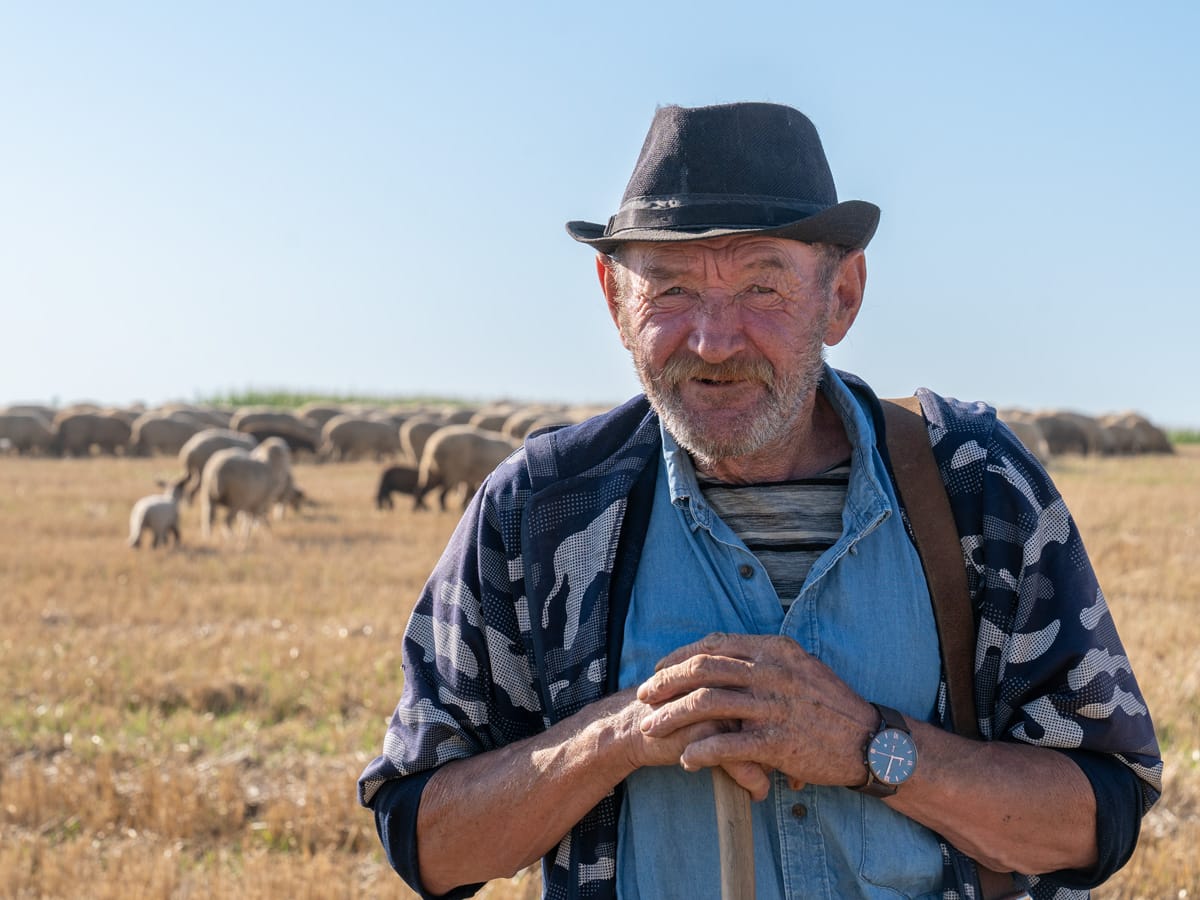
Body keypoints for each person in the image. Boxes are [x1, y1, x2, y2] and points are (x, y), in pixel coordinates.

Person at [358, 102, 1161, 900]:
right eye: (669, 289)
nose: (714, 341)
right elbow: (425, 841)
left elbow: (1099, 818)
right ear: (613, 299)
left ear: (840, 295)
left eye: (762, 288)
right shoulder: (541, 510)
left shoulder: (975, 489)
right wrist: (618, 737)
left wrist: (869, 748)